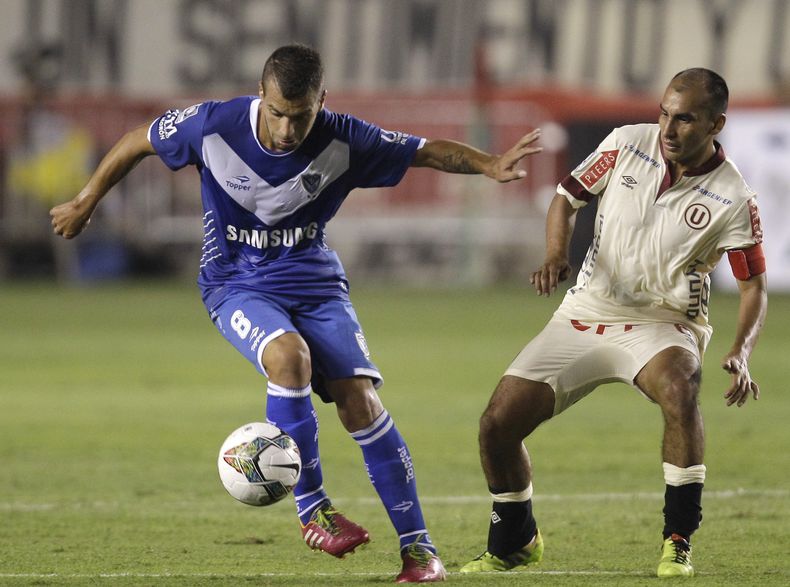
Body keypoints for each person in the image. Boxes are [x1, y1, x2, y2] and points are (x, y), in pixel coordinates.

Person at [50, 44, 542, 583]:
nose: (287, 130)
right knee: (290, 358)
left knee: (362, 402)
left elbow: (425, 150)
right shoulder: (212, 124)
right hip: (234, 283)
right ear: (261, 95)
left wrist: (489, 164)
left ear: (321, 101)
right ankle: (313, 508)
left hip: (315, 284)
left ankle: (419, 551)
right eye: (278, 113)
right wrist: (86, 200)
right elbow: (137, 141)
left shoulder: (346, 137)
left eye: (301, 116)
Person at [459, 68, 767, 578]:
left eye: (685, 119)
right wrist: (556, 254)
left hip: (663, 324)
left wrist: (742, 350)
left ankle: (677, 539)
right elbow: (566, 196)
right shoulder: (627, 143)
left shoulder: (735, 197)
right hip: (586, 311)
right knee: (497, 424)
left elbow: (754, 285)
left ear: (716, 124)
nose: (668, 129)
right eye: (665, 113)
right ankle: (515, 541)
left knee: (679, 386)